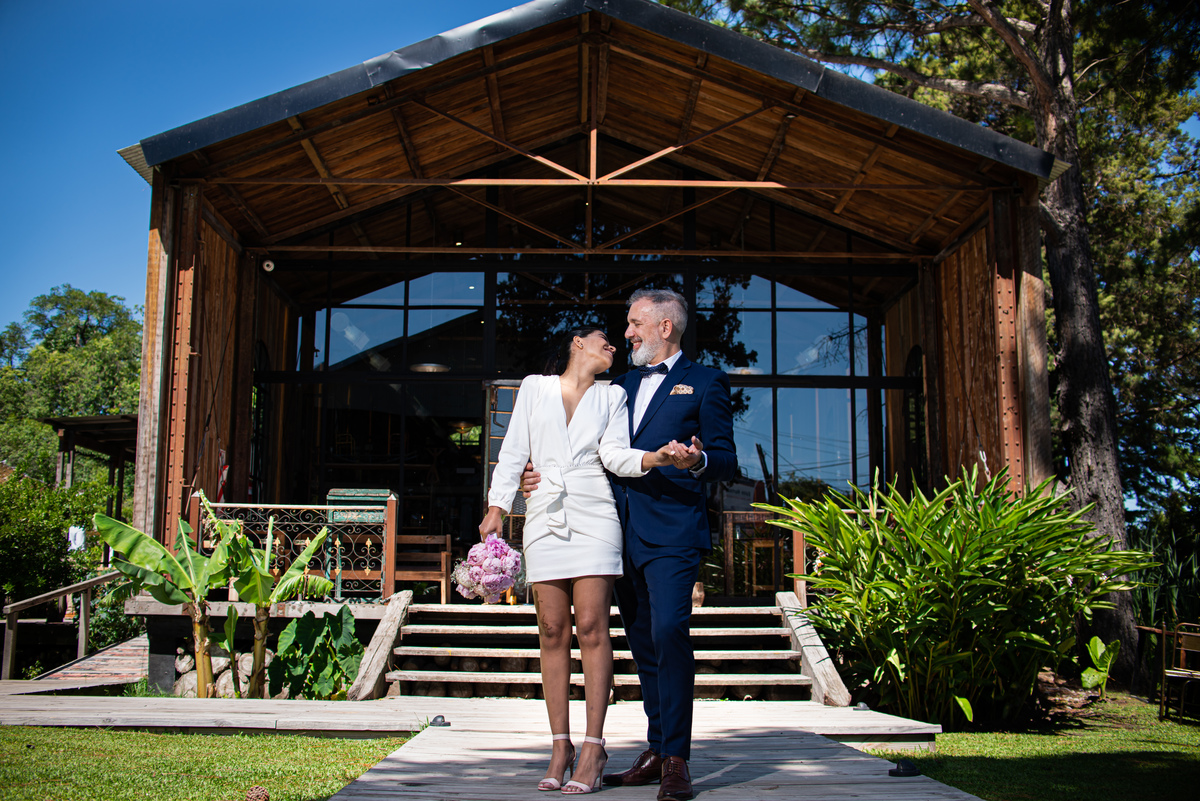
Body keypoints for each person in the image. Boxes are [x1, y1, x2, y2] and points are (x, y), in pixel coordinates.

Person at [523, 289, 737, 801]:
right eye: (626, 324)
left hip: (673, 532)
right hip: (612, 532)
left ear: (665, 326)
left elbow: (726, 459)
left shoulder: (707, 381)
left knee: (669, 631)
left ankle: (677, 758)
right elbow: (589, 450)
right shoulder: (615, 387)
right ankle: (657, 748)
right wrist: (535, 475)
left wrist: (698, 461)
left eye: (636, 323)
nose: (627, 333)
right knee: (641, 641)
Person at [480, 326, 677, 795]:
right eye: (604, 338)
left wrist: (656, 458)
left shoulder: (612, 396)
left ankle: (593, 747)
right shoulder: (535, 387)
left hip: (595, 513)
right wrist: (497, 507)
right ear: (577, 343)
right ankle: (559, 746)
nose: (613, 344)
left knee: (591, 627)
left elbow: (614, 455)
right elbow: (514, 450)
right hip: (544, 512)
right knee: (551, 629)